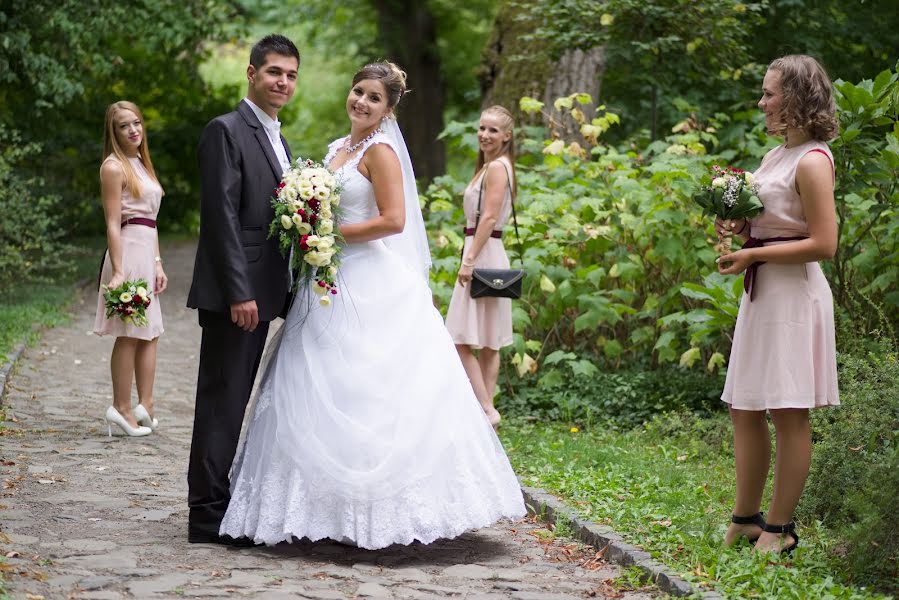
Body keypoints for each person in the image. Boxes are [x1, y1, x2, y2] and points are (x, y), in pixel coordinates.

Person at [218, 62, 525, 549]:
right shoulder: (337, 150)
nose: (361, 101)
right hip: (327, 281)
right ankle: (321, 512)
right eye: (358, 91)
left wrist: (329, 233)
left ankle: (378, 515)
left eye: (374, 98)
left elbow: (394, 220)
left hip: (369, 277)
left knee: (372, 390)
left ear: (388, 110)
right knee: (314, 384)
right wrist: (307, 226)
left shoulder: (380, 152)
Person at [716, 54, 839, 554]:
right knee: (744, 407)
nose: (761, 101)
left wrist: (750, 253)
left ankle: (780, 529)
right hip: (762, 293)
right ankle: (745, 519)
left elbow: (825, 243)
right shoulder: (773, 158)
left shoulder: (813, 160)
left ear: (796, 98)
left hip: (794, 295)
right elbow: (768, 224)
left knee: (788, 412)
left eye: (769, 93)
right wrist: (738, 229)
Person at [186, 34, 299, 546]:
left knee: (237, 401)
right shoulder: (225, 131)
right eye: (274, 71)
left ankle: (225, 504)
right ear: (251, 73)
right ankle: (206, 516)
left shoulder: (279, 137)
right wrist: (239, 292)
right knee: (222, 402)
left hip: (267, 292)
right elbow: (221, 219)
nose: (283, 82)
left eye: (291, 74)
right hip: (239, 298)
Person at [94, 101, 167, 438]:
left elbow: (150, 221)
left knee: (150, 332)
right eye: (124, 125)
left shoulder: (141, 162)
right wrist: (119, 270)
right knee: (129, 332)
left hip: (146, 250)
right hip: (127, 251)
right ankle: (121, 407)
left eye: (136, 122)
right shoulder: (114, 167)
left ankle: (146, 404)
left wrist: (157, 262)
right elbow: (113, 223)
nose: (133, 130)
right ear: (114, 131)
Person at [445, 106, 518, 428]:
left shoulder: (498, 168)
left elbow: (488, 217)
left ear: (506, 136)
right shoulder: (490, 166)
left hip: (484, 253)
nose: (484, 135)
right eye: (482, 128)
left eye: (492, 130)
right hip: (487, 251)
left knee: (461, 337)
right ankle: (485, 416)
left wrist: (469, 261)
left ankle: (486, 408)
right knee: (488, 339)